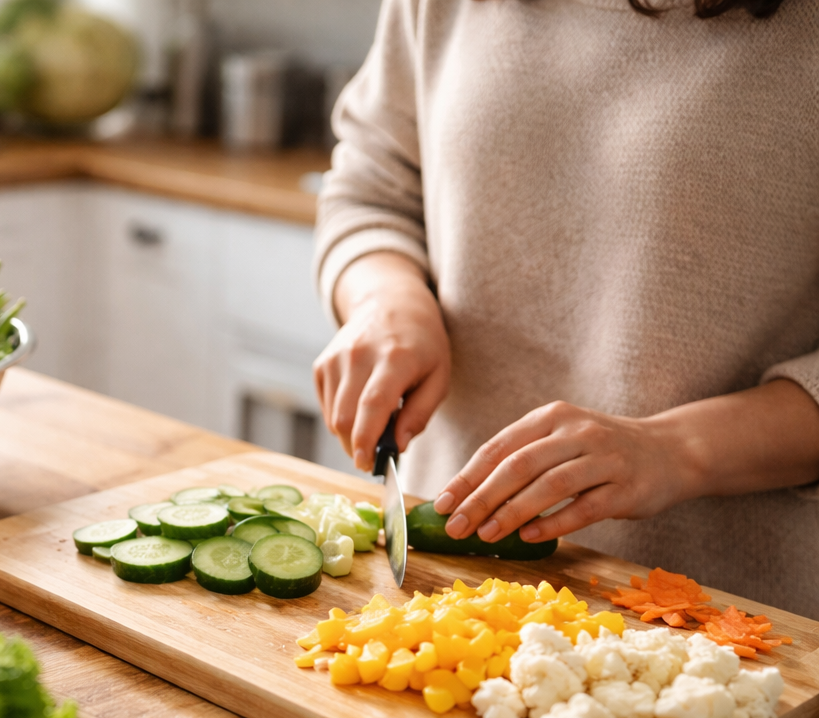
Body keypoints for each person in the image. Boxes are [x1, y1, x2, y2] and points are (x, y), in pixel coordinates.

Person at [311, 0, 819, 616]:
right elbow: (373, 178)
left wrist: (676, 449)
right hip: (446, 589)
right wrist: (384, 295)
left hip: (732, 622)